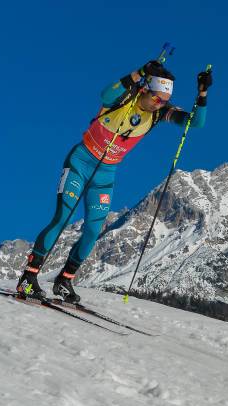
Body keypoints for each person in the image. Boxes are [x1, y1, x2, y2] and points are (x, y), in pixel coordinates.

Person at [16, 60, 212, 303]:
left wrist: (202, 94)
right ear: (145, 90)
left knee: (92, 231)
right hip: (81, 162)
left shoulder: (159, 112)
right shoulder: (125, 97)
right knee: (62, 217)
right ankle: (28, 277)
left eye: (164, 100)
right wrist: (139, 72)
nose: (159, 103)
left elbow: (195, 122)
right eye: (157, 98)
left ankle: (64, 280)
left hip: (105, 174)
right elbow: (105, 94)